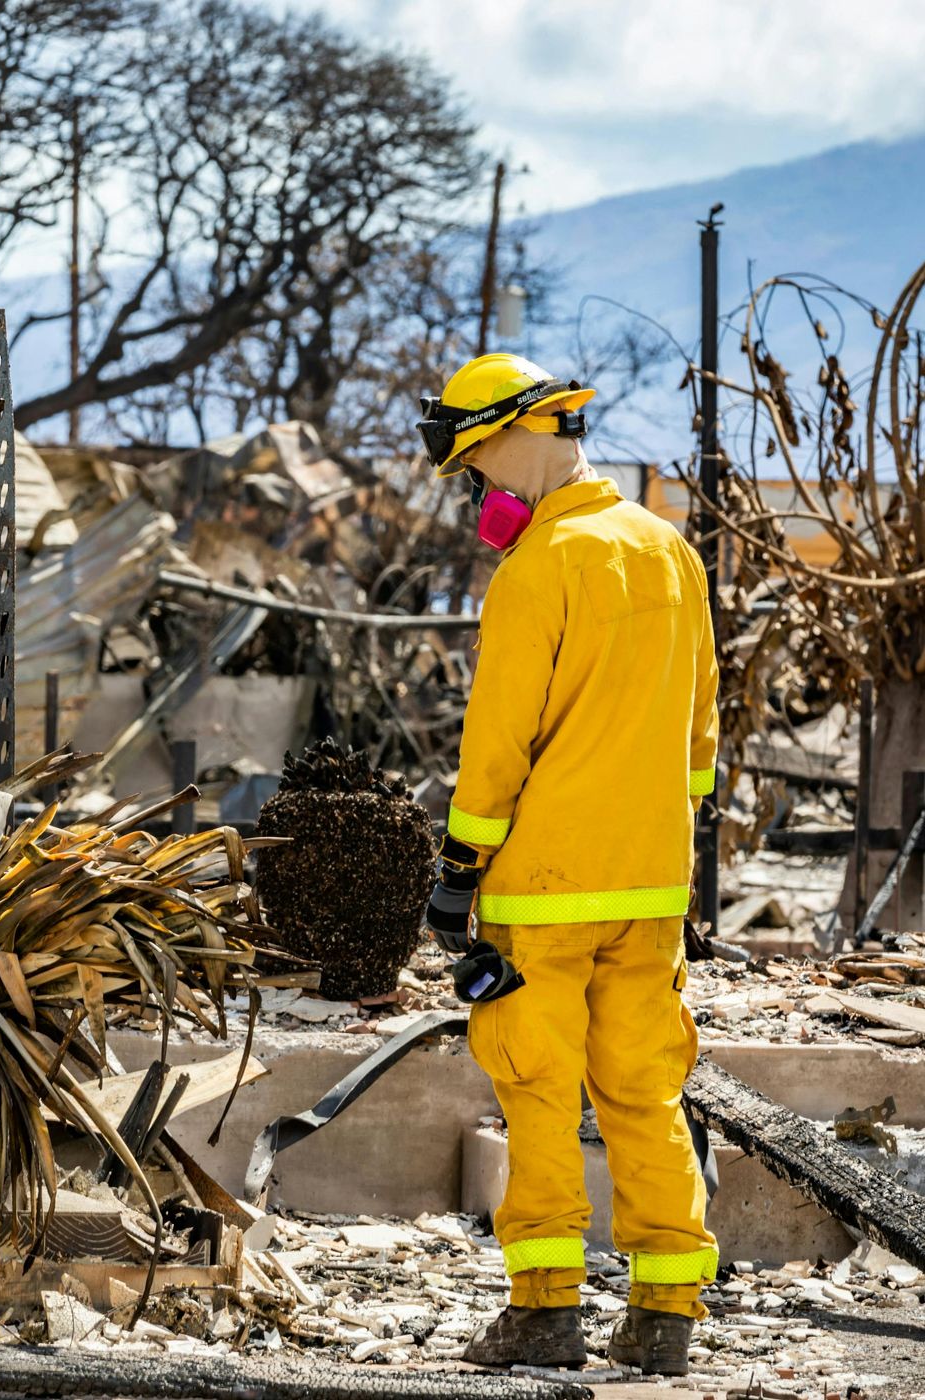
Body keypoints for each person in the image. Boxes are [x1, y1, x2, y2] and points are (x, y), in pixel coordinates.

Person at [416, 354, 719, 1376]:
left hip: (543, 891)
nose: (478, 491)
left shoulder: (536, 569)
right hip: (651, 886)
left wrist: (459, 865)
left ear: (514, 438)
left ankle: (544, 1310)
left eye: (474, 466)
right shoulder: (670, 551)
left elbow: (497, 746)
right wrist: (671, 844)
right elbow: (700, 734)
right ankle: (664, 1312)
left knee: (537, 1090)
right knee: (644, 1090)